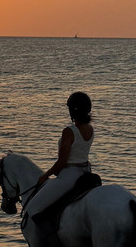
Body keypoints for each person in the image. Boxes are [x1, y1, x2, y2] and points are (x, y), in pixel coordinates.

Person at [28, 91, 94, 221]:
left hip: (69, 175)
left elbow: (62, 162)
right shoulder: (90, 129)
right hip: (86, 172)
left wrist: (45, 176)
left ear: (73, 111)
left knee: (33, 208)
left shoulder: (69, 131)